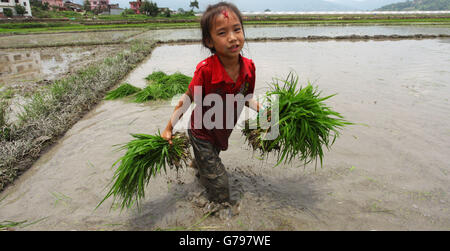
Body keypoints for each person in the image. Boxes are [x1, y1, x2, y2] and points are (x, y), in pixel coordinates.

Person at [162, 2, 263, 209]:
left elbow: (246, 96)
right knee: (220, 185)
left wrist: (265, 111)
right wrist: (169, 128)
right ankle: (219, 211)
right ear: (209, 41)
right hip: (202, 132)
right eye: (222, 33)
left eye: (237, 29)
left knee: (207, 164)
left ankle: (198, 164)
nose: (233, 37)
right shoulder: (206, 71)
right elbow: (187, 98)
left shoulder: (249, 68)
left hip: (221, 132)